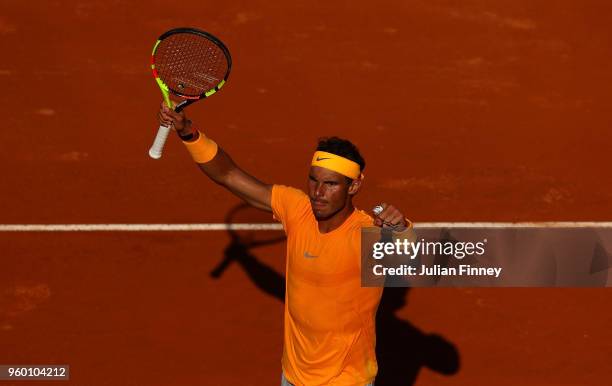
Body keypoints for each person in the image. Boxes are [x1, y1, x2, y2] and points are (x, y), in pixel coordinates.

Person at [157, 102, 414, 386]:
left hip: (345, 380)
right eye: (314, 180)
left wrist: (402, 230)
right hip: (292, 377)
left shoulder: (365, 234)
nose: (318, 192)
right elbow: (228, 175)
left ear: (353, 186)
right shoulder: (297, 209)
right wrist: (190, 133)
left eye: (331, 184)